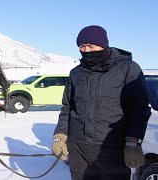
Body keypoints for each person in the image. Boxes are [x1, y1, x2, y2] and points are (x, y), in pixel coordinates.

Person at [52, 25, 152, 180]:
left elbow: (138, 109)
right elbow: (67, 107)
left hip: (111, 146)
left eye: (90, 46)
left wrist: (133, 142)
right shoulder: (76, 72)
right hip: (78, 146)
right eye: (81, 47)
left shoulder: (127, 69)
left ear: (103, 45)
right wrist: (60, 136)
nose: (86, 51)